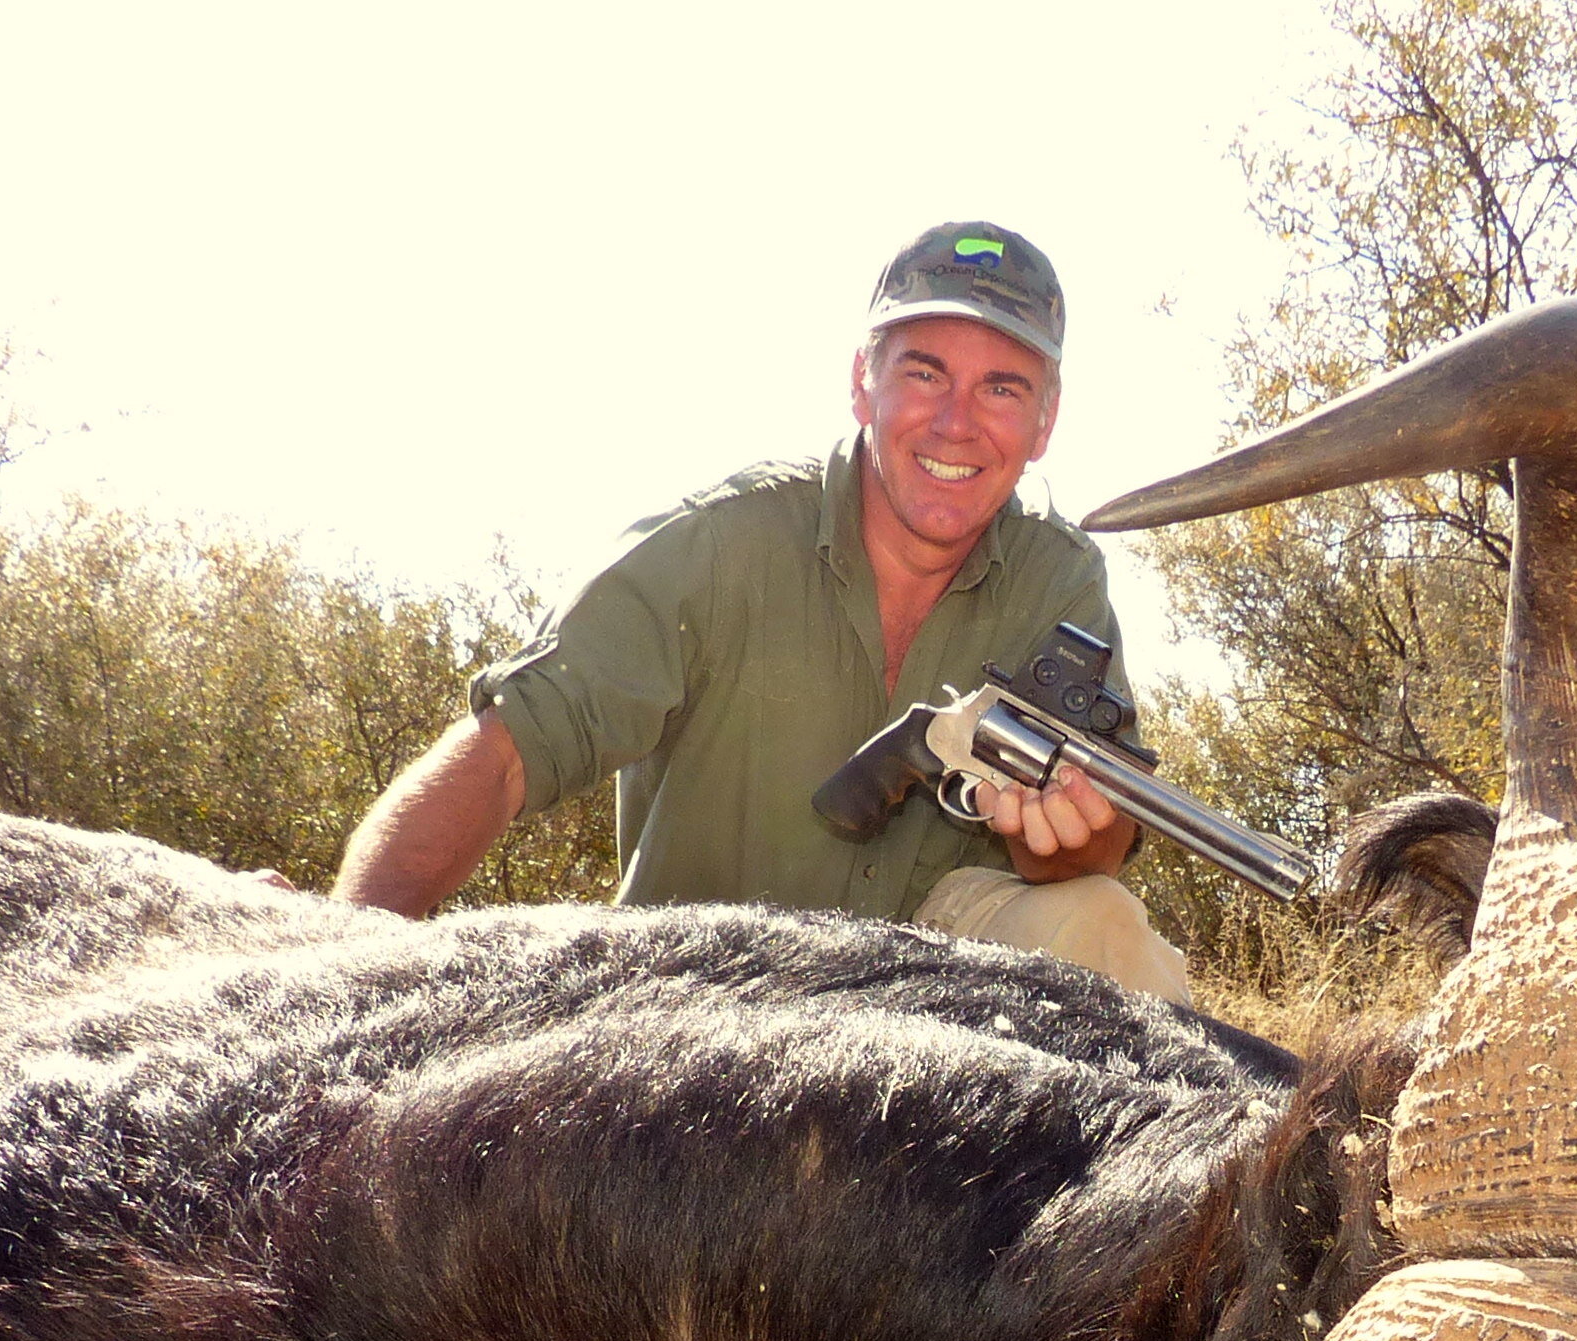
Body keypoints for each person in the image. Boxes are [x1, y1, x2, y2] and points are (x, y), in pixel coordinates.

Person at [330, 221, 1191, 1001]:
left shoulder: (1062, 580)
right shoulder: (719, 545)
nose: (957, 423)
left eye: (1003, 390)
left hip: (923, 1005)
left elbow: (1097, 853)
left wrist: (1070, 836)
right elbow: (503, 756)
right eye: (924, 374)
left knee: (1104, 926)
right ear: (863, 382)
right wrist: (340, 963)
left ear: (1045, 422)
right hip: (700, 998)